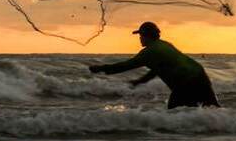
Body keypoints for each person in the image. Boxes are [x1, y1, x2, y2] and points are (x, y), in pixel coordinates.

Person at [89, 22, 220, 109]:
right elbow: (159, 68)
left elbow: (126, 66)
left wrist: (101, 69)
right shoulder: (164, 45)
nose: (140, 38)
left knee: (174, 113)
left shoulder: (150, 51)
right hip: (199, 75)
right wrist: (141, 81)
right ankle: (233, 125)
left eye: (141, 35)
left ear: (147, 36)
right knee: (214, 110)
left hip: (185, 84)